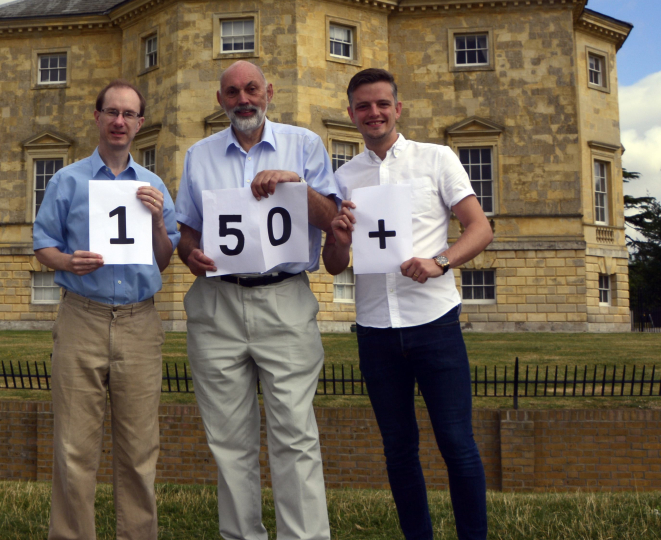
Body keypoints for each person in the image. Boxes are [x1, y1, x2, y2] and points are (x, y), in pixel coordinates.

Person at [323, 68, 493, 540]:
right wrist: (336, 238)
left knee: (457, 444)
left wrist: (441, 260)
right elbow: (335, 263)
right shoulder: (344, 178)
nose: (373, 113)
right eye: (362, 106)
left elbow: (479, 228)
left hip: (433, 322)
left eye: (381, 104)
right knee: (398, 449)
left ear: (398, 108)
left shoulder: (437, 159)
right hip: (375, 329)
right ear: (352, 114)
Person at [175, 60, 338, 540]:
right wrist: (191, 256)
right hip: (216, 302)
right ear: (220, 100)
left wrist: (295, 185)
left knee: (295, 434)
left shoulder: (305, 144)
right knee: (228, 441)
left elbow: (331, 219)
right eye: (232, 92)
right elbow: (187, 233)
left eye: (251, 89)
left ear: (269, 90)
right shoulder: (199, 155)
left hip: (283, 299)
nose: (243, 99)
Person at [33, 80, 179, 540]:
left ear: (139, 123)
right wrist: (66, 261)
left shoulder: (153, 184)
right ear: (97, 117)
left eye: (129, 114)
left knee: (139, 450)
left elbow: (164, 257)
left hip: (139, 320)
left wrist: (157, 221)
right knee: (74, 448)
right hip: (82, 316)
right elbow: (43, 245)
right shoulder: (67, 180)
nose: (119, 122)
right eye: (111, 112)